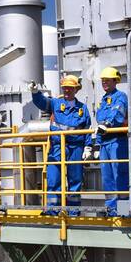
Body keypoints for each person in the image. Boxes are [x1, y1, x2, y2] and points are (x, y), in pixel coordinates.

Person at [32, 75, 91, 216]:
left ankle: (73, 211)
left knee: (75, 181)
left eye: (70, 88)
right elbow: (42, 103)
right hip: (58, 146)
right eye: (65, 88)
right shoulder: (56, 104)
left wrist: (88, 147)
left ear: (76, 89)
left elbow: (88, 129)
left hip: (76, 147)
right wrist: (35, 93)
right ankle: (52, 209)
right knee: (53, 180)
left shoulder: (82, 108)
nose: (67, 90)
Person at [93, 66, 130, 216]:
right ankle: (111, 209)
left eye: (107, 80)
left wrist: (107, 124)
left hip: (117, 141)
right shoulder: (103, 100)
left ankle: (124, 210)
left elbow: (117, 114)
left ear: (115, 81)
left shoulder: (121, 96)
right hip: (105, 142)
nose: (104, 83)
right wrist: (96, 145)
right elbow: (99, 122)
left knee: (120, 175)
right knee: (107, 177)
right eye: (103, 80)